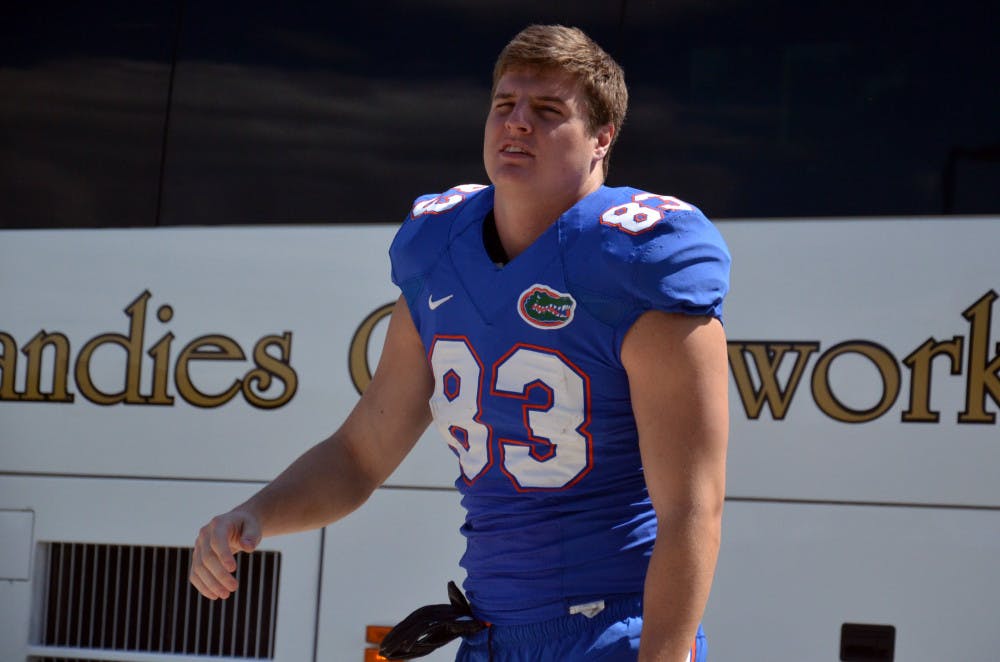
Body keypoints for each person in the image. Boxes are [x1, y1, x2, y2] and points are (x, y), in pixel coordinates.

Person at [189, 24, 730, 662]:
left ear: (602, 139)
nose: (518, 123)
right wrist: (256, 514)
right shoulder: (439, 251)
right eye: (505, 105)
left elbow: (692, 509)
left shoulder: (635, 262)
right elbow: (361, 454)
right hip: (491, 633)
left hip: (611, 631)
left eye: (548, 111)